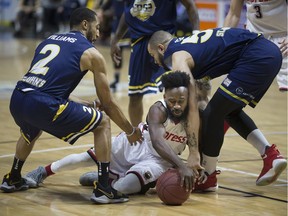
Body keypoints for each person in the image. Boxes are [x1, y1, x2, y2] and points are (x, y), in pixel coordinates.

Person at [0, 7, 143, 204]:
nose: (99, 33)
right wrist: (130, 131)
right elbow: (108, 104)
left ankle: (13, 178)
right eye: (97, 27)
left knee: (31, 130)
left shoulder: (47, 41)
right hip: (44, 104)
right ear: (85, 24)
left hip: (19, 98)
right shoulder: (91, 53)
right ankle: (103, 188)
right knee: (102, 122)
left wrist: (88, 104)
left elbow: (44, 86)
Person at [147, 28, 287, 188]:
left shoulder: (176, 57)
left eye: (153, 56)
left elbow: (191, 105)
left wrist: (193, 153)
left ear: (161, 48)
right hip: (265, 52)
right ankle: (270, 155)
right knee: (228, 111)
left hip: (257, 55)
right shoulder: (187, 46)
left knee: (212, 114)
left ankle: (208, 176)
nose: (155, 62)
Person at [24, 71, 197, 194]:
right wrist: (182, 166)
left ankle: (107, 180)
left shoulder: (194, 115)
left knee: (124, 187)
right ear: (165, 96)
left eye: (180, 101)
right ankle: (43, 172)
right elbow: (158, 143)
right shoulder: (158, 109)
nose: (176, 105)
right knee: (85, 158)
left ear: (187, 98)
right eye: (172, 100)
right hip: (136, 144)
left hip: (160, 160)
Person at [110, 0, 200, 127]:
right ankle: (138, 135)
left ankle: (181, 130)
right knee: (135, 95)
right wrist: (115, 39)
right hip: (139, 44)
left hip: (164, 40)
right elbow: (130, 11)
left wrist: (196, 34)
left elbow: (190, 5)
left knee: (177, 90)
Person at [224, 0, 288, 92]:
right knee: (238, 87)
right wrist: (222, 39)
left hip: (283, 38)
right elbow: (233, 15)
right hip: (255, 38)